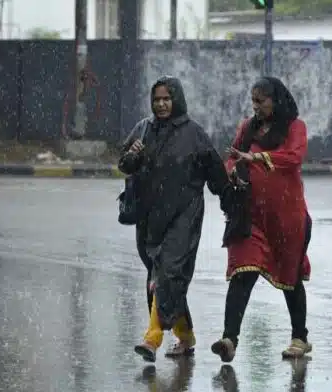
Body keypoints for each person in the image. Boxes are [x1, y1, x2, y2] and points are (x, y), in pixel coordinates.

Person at [119, 76, 232, 362]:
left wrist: (232, 201)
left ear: (177, 99)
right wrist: (132, 156)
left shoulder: (193, 133)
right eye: (156, 99)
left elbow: (215, 172)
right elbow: (125, 165)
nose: (161, 104)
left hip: (185, 214)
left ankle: (152, 338)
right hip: (150, 216)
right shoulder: (143, 129)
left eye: (166, 99)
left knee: (167, 273)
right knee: (162, 276)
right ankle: (185, 335)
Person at [210, 76, 313, 363]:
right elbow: (232, 156)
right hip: (251, 217)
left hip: (286, 218)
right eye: (253, 101)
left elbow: (293, 157)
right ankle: (229, 338)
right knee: (242, 272)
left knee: (290, 277)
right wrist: (231, 169)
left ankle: (300, 338)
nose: (255, 107)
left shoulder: (294, 127)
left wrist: (256, 159)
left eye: (260, 101)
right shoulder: (248, 127)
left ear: (275, 100)